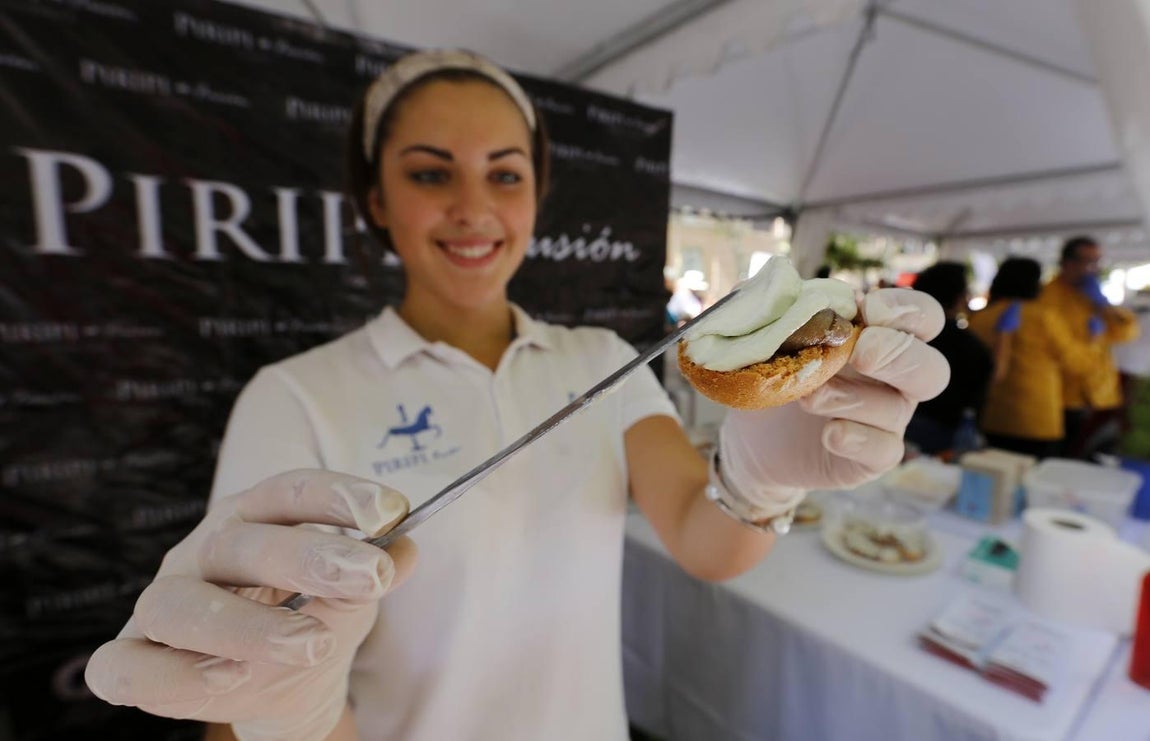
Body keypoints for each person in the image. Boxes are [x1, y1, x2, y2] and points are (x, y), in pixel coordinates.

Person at [82, 49, 948, 741]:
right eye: (430, 174)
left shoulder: (601, 357)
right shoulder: (294, 395)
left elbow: (704, 541)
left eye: (504, 174)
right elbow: (242, 688)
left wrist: (761, 480)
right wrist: (291, 721)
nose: (473, 207)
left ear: (536, 198)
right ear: (376, 200)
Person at [968, 257, 1105, 459]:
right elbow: (1079, 363)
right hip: (1036, 419)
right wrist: (1094, 340)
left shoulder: (983, 317)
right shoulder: (1044, 317)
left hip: (992, 414)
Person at [1037, 236, 1139, 458]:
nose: (1094, 269)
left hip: (1096, 393)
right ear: (1068, 263)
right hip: (1062, 395)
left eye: (1097, 261)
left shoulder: (1090, 297)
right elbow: (1064, 354)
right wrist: (1094, 343)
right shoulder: (1047, 297)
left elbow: (1126, 333)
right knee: (1059, 458)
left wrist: (1105, 307)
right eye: (1089, 262)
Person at [904, 262, 993, 455]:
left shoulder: (901, 335)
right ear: (959, 298)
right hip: (944, 432)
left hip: (900, 417)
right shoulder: (970, 346)